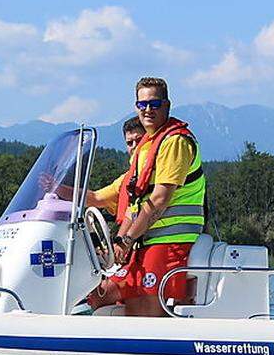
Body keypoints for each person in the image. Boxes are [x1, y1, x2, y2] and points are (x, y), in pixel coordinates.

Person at [85, 77, 206, 316]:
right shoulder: (145, 148)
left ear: (167, 105)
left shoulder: (174, 142)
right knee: (116, 300)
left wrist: (127, 240)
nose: (148, 109)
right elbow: (134, 204)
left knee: (147, 313)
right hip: (145, 240)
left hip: (169, 240)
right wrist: (120, 243)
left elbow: (160, 199)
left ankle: (156, 352)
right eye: (142, 105)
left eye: (154, 103)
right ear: (136, 107)